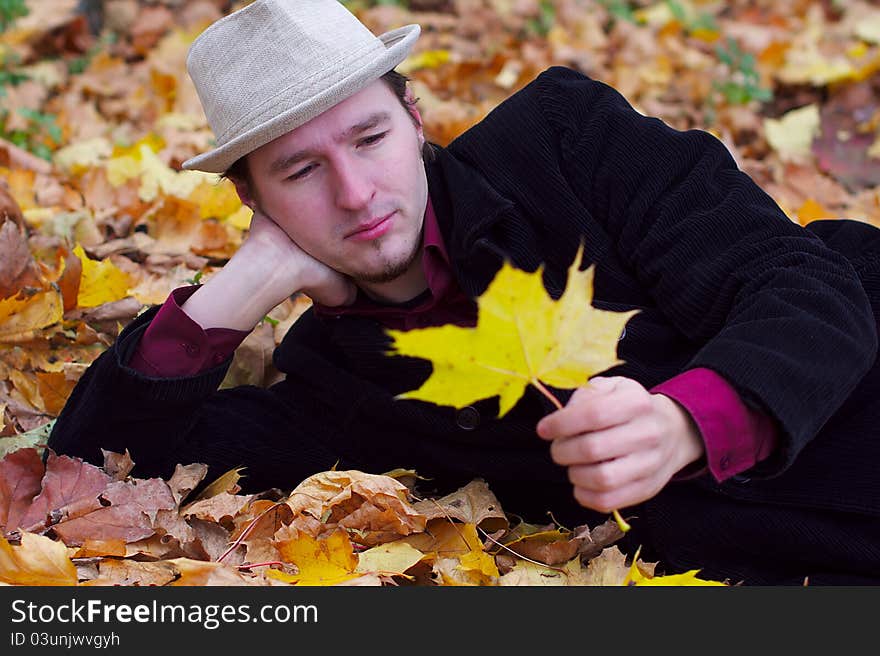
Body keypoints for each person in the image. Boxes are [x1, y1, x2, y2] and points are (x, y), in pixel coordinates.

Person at [47, 0, 880, 585]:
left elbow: (800, 284)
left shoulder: (562, 143)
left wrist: (687, 420)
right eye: (302, 172)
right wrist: (234, 293)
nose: (357, 193)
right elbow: (91, 478)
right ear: (254, 202)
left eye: (370, 137)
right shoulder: (334, 384)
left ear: (414, 119)